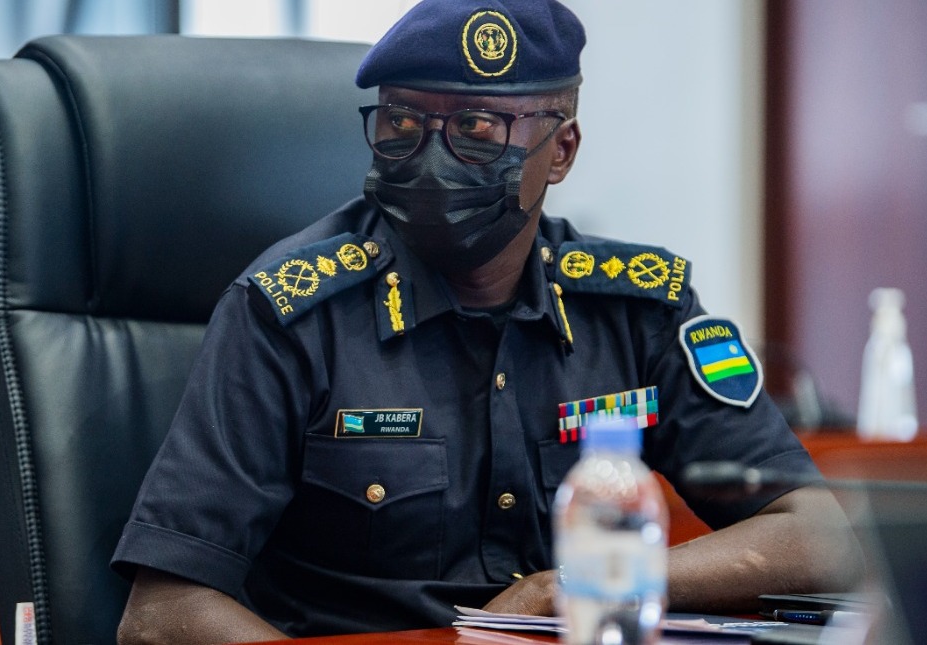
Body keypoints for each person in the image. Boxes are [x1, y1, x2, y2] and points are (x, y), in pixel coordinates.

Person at [113, 1, 859, 642]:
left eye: (476, 127)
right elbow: (163, 613)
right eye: (402, 122)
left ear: (560, 150)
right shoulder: (290, 311)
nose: (431, 157)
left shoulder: (637, 311)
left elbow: (820, 534)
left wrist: (573, 584)